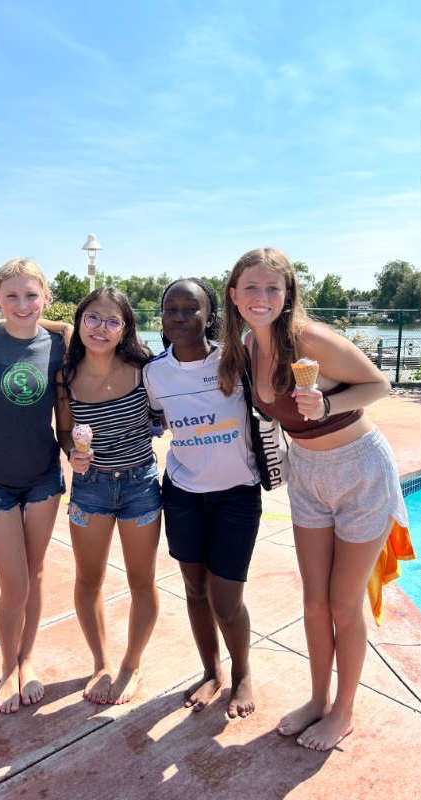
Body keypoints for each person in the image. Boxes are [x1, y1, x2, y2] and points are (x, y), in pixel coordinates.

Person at [219, 247, 410, 751]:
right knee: (314, 600)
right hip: (306, 474)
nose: (261, 298)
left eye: (272, 289)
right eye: (251, 288)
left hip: (359, 471)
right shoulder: (247, 347)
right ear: (234, 295)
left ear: (287, 296)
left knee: (345, 604)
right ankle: (318, 700)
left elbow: (378, 384)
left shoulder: (308, 338)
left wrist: (328, 401)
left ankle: (343, 712)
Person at [143, 278, 262, 718]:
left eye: (189, 309)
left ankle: (243, 671)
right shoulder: (154, 372)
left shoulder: (235, 361)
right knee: (195, 589)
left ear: (209, 315)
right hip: (184, 494)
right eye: (170, 309)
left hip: (236, 495)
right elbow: (157, 419)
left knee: (227, 600)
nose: (179, 317)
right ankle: (212, 671)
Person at [0, 258, 68, 714]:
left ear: (44, 297)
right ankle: (7, 668)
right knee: (14, 581)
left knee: (36, 572)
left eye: (31, 295)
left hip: (42, 475)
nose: (22, 304)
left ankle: (27, 659)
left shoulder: (60, 345)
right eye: (12, 296)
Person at [56, 287, 162, 705]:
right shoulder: (66, 375)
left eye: (112, 321)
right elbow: (65, 431)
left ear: (125, 328)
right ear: (80, 322)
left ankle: (131, 665)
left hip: (140, 485)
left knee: (142, 581)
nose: (101, 328)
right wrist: (71, 454)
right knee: (88, 579)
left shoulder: (144, 369)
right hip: (92, 488)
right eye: (93, 318)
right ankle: (100, 662)